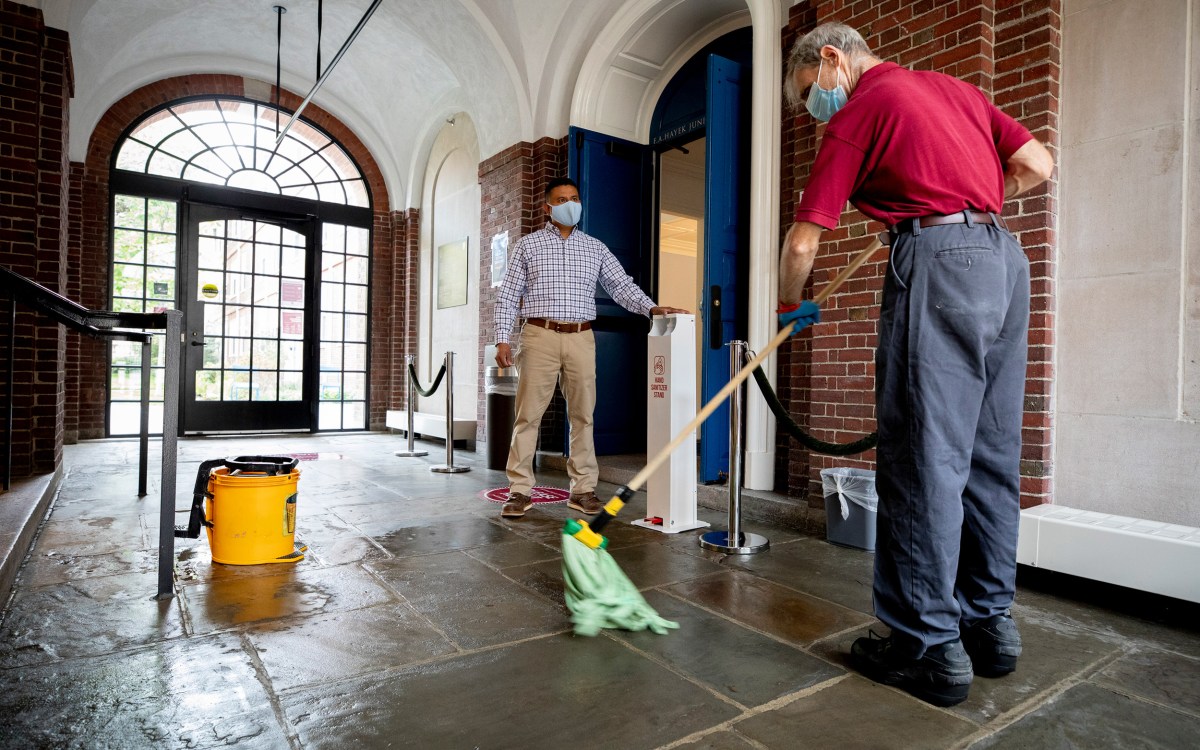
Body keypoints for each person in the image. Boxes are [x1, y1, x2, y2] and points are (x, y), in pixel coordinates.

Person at [779, 23, 1054, 707]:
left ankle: (924, 644)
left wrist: (791, 308)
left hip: (940, 266)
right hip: (1004, 262)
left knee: (924, 454)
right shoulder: (955, 90)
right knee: (990, 453)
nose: (818, 106)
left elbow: (804, 241)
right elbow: (1037, 165)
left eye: (813, 91)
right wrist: (966, 205)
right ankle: (988, 626)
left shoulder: (865, 105)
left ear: (833, 60)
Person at [494, 176, 688, 519]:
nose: (570, 204)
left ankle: (582, 489)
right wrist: (502, 338)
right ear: (547, 207)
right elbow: (508, 295)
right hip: (539, 335)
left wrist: (652, 308)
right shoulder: (528, 245)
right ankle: (520, 490)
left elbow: (621, 285)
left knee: (583, 416)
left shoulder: (595, 247)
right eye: (562, 199)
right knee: (528, 417)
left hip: (582, 337)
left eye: (574, 197)